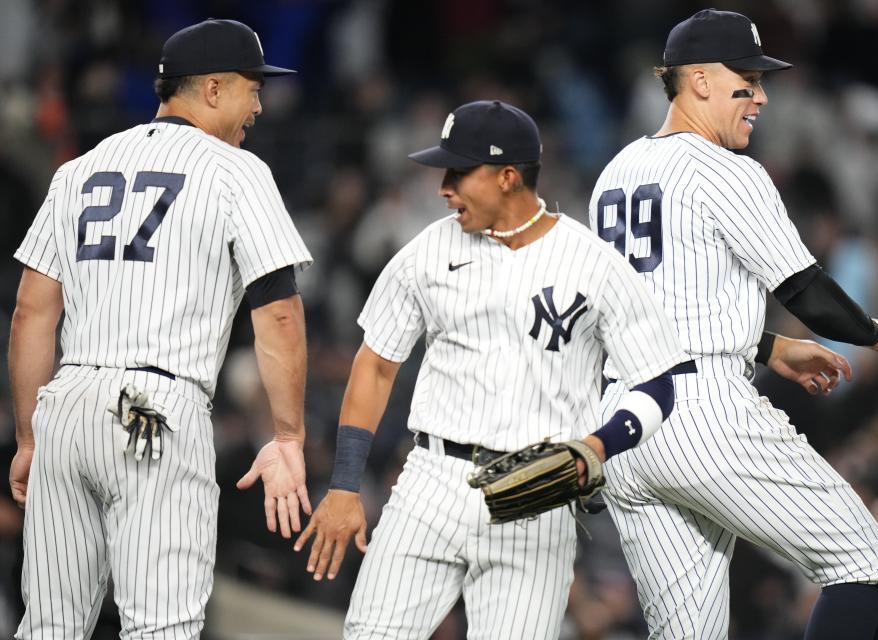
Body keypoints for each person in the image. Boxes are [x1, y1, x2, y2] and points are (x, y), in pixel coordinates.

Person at [294, 99, 689, 639]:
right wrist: (344, 485)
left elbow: (657, 384)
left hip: (537, 496)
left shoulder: (592, 262)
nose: (443, 187)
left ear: (508, 177)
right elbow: (375, 366)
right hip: (432, 481)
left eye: (459, 172)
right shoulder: (427, 252)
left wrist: (600, 445)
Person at [588, 9, 878, 640]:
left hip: (627, 429)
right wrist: (874, 332)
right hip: (704, 412)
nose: (762, 97)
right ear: (699, 80)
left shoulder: (615, 175)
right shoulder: (725, 169)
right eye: (747, 80)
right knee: (863, 559)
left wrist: (765, 347)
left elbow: (651, 307)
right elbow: (808, 292)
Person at [8, 19, 314, 638]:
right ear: (211, 89)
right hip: (154, 411)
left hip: (64, 407)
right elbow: (278, 311)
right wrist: (289, 435)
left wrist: (28, 437)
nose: (258, 104)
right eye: (251, 88)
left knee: (49, 627)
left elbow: (32, 311)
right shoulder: (236, 170)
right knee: (162, 628)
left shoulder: (79, 169)